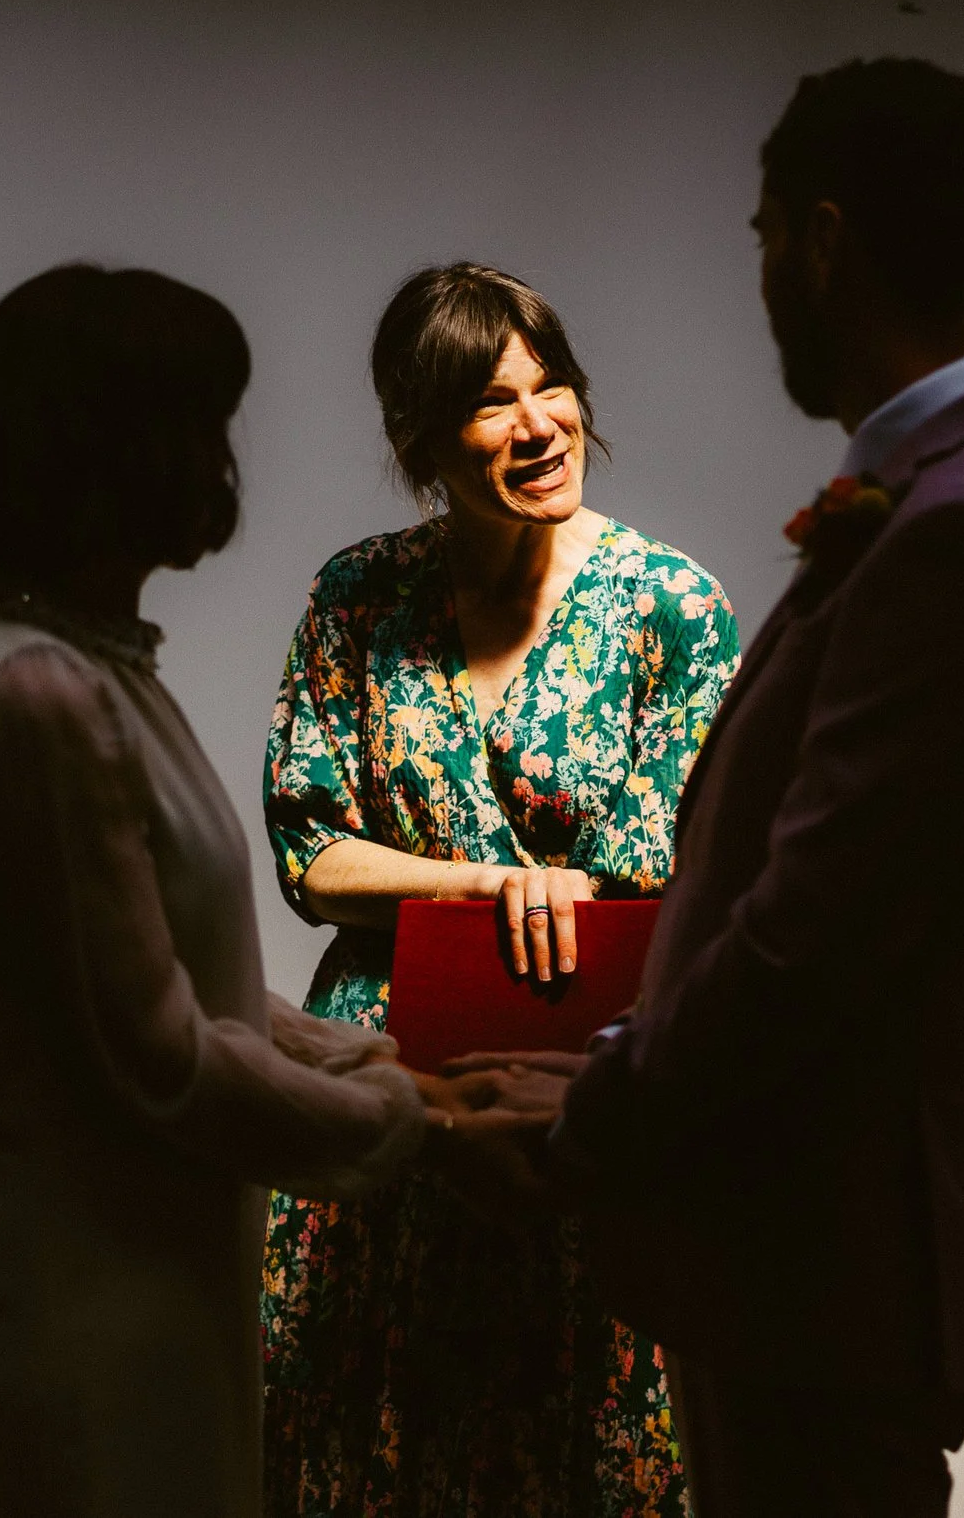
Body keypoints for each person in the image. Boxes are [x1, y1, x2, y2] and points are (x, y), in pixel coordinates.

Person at [454, 57, 964, 1516]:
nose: (761, 276)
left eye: (764, 237)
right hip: (802, 1239)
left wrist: (597, 1110)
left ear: (824, 241)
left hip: (824, 1248)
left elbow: (818, 931)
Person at [0, 265, 485, 1518]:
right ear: (118, 450)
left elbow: (169, 976)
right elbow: (158, 1052)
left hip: (112, 1292)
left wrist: (383, 1061)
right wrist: (407, 1125)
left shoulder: (38, 666)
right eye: (205, 425)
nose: (223, 464)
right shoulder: (40, 694)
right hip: (84, 1320)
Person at [259, 263, 738, 1515]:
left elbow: (672, 867)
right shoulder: (358, 596)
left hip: (573, 1101)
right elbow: (312, 851)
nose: (538, 423)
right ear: (421, 437)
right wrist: (486, 879)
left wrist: (541, 897)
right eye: (490, 401)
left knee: (571, 1451)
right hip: (384, 1099)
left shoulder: (669, 605)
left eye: (552, 384)